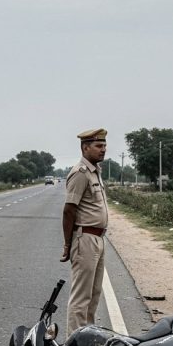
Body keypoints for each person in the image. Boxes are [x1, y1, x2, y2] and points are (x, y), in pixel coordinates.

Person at [61, 128, 109, 334]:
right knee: (81, 297)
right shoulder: (80, 173)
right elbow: (69, 210)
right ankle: (73, 344)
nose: (103, 150)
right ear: (85, 148)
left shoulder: (95, 171)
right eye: (98, 146)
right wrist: (67, 244)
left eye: (104, 146)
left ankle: (87, 340)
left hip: (97, 238)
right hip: (85, 238)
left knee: (94, 294)